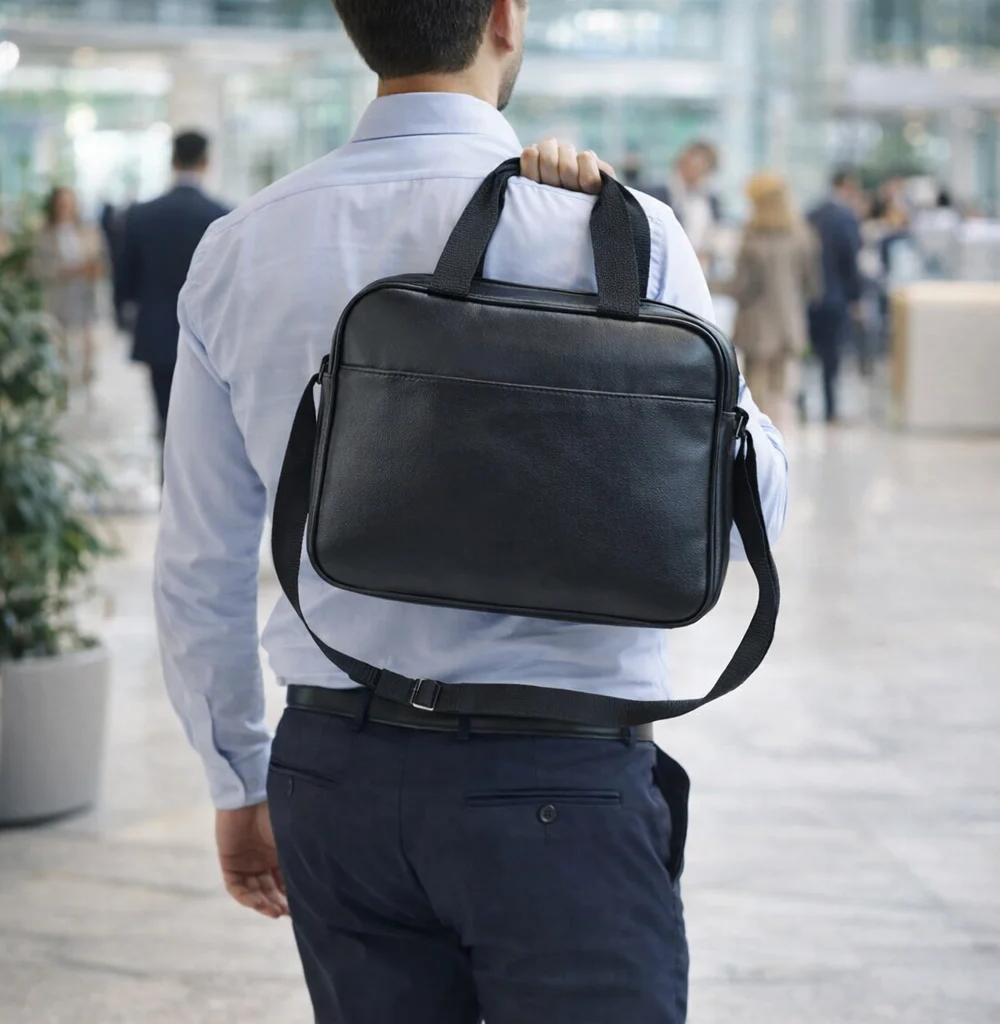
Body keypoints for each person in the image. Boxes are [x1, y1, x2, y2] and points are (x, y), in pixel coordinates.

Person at [153, 2, 788, 1022]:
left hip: (335, 768)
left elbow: (199, 558)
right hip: (559, 773)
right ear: (504, 18)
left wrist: (238, 777)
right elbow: (749, 503)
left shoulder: (243, 244)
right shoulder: (615, 230)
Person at [115, 131, 229, 448]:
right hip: (210, 335)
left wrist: (122, 321)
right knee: (205, 424)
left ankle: (166, 486)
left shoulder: (141, 215)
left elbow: (123, 278)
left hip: (156, 330)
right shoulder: (222, 214)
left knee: (166, 419)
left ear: (172, 160)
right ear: (206, 161)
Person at [713, 173, 821, 425]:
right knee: (783, 392)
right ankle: (782, 442)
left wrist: (705, 280)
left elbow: (740, 287)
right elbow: (812, 286)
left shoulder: (752, 238)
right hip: (789, 324)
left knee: (756, 396)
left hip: (757, 325)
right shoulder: (803, 236)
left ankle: (760, 453)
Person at [31, 187, 107, 387]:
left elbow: (101, 259)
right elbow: (36, 267)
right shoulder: (43, 234)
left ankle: (86, 376)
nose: (66, 207)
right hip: (57, 293)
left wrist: (93, 269)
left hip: (84, 291)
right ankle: (61, 380)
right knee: (59, 339)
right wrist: (64, 270)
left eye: (70, 202)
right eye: (62, 203)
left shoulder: (88, 230)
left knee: (87, 338)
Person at [808, 169, 864, 423]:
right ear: (848, 186)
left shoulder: (812, 213)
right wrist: (856, 297)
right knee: (832, 356)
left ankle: (801, 404)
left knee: (808, 351)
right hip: (836, 296)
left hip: (810, 297)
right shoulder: (846, 218)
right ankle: (830, 409)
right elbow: (850, 261)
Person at [654, 140, 721, 260]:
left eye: (704, 165)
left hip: (700, 268)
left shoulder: (711, 200)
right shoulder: (658, 195)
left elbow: (713, 236)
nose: (697, 169)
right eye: (693, 162)